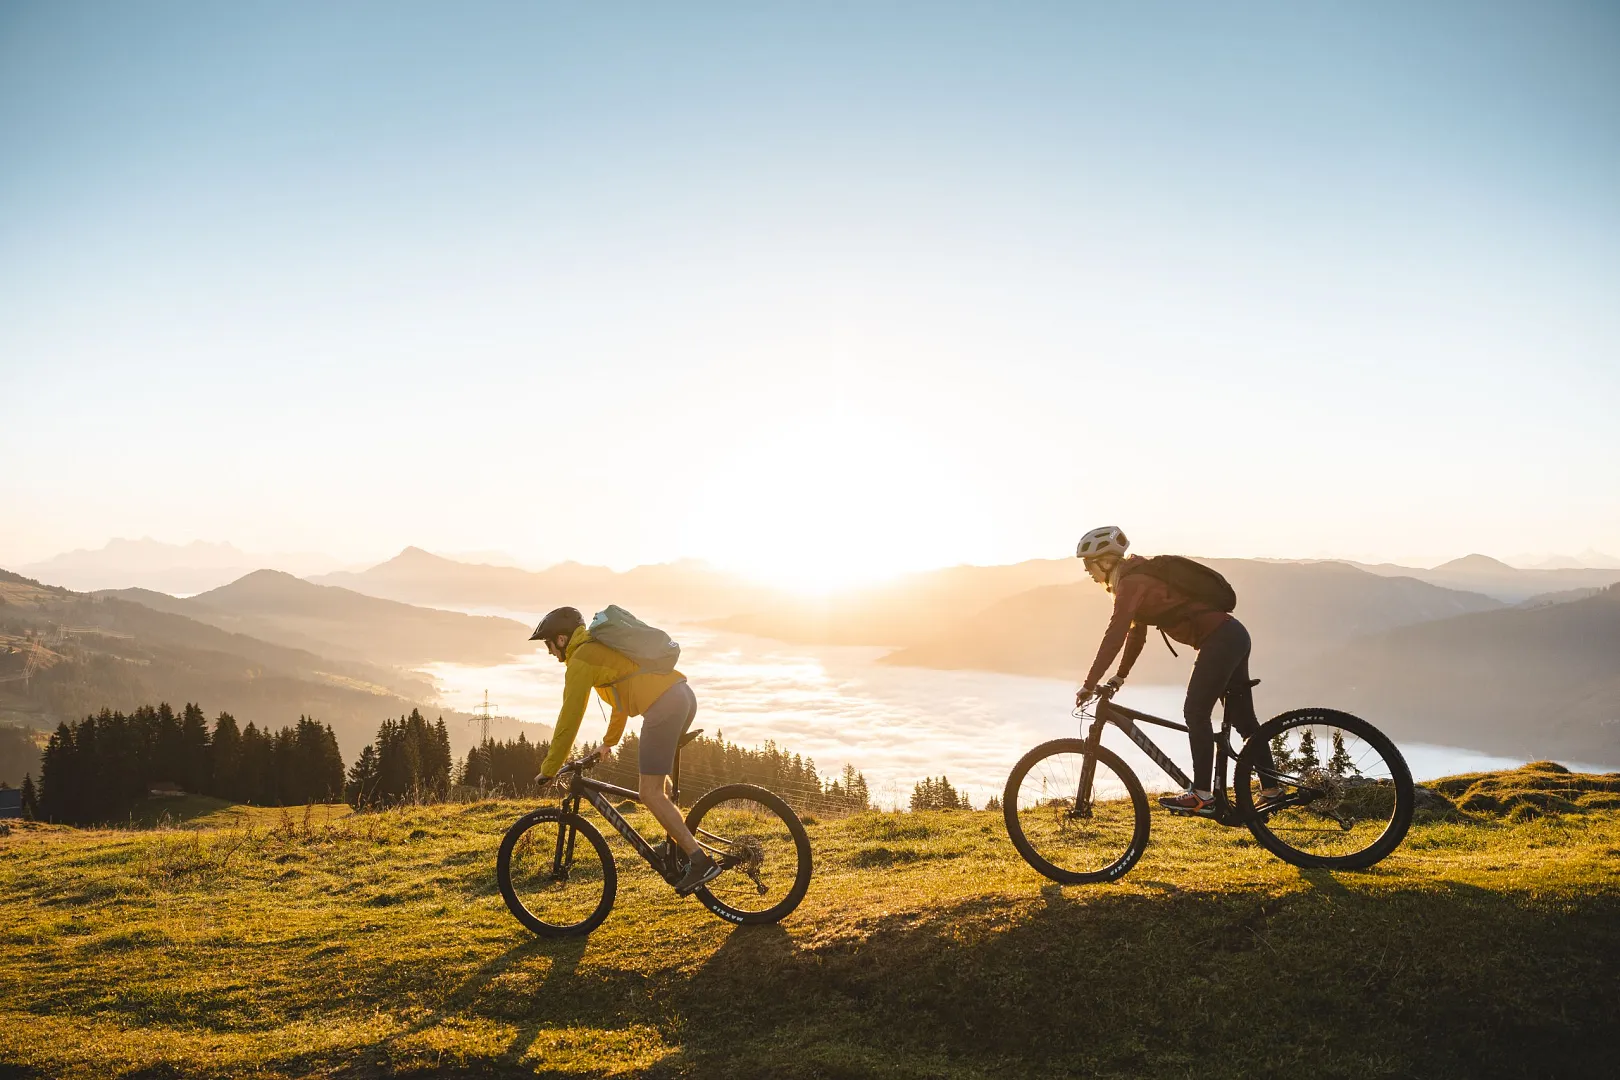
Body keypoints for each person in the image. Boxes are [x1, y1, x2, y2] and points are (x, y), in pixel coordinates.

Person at [1073, 526, 1280, 815]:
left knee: (1195, 712)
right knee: (1244, 720)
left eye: (1088, 565)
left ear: (1105, 562)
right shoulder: (1138, 576)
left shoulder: (1131, 583)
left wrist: (1089, 682)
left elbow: (1116, 632)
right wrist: (1120, 676)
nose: (1088, 573)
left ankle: (1202, 795)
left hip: (1221, 639)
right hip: (1233, 635)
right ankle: (1272, 789)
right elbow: (1135, 634)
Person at [530, 606, 722, 895]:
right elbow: (619, 697)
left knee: (649, 792)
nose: (548, 652)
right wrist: (609, 742)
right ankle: (678, 844)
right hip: (681, 694)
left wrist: (550, 767)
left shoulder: (581, 659)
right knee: (659, 785)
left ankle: (699, 861)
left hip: (664, 705)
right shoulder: (596, 648)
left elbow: (569, 718)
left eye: (548, 644)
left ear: (561, 639)